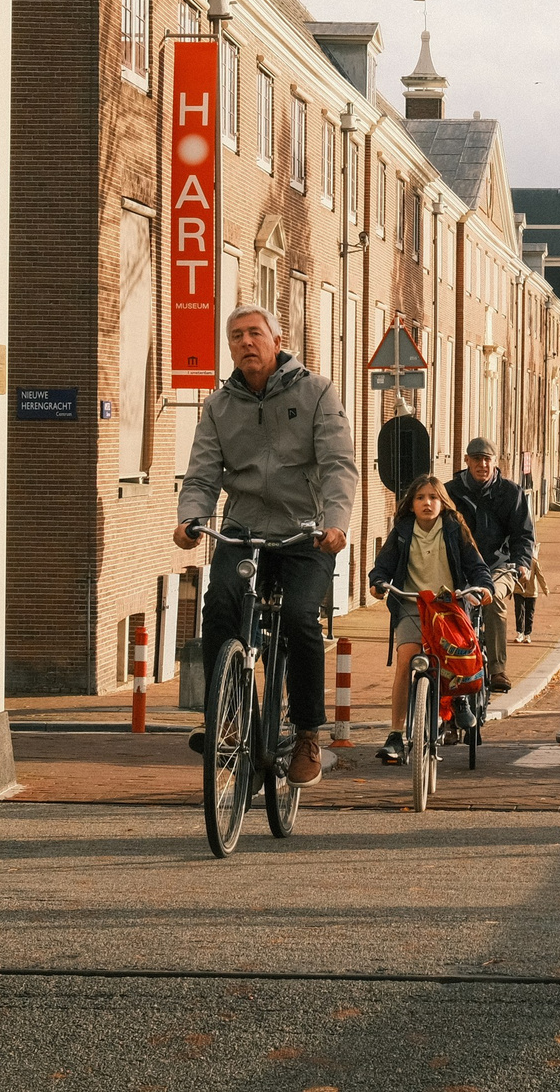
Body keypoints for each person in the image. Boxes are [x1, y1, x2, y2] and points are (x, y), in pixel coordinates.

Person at [173, 305, 356, 788]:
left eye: (256, 333)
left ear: (277, 340)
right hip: (243, 530)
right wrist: (190, 517)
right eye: (236, 337)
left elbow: (339, 464)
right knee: (218, 610)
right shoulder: (218, 406)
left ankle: (307, 735)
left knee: (299, 617)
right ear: (229, 348)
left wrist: (335, 523)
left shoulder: (317, 393)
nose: (246, 343)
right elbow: (202, 473)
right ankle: (231, 720)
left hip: (305, 532)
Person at [366, 472, 493, 765]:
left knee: (455, 659)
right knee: (406, 660)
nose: (427, 503)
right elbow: (382, 566)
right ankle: (397, 734)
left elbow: (477, 566)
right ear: (411, 505)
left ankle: (459, 698)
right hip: (412, 603)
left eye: (433, 498)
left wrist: (484, 586)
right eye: (420, 498)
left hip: (449, 606)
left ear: (442, 502)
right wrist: (378, 582)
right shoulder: (402, 530)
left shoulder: (455, 528)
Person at [445, 437, 534, 694]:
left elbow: (523, 535)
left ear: (495, 462)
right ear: (466, 461)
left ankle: (497, 669)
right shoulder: (451, 492)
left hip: (500, 565)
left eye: (487, 459)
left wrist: (522, 562)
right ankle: (446, 670)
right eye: (476, 459)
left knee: (491, 598)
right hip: (459, 567)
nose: (482, 464)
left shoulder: (510, 493)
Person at [511, 554, 547, 644]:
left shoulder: (534, 562)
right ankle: (520, 633)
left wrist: (545, 588)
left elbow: (540, 576)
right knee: (519, 611)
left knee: (529, 613)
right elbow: (512, 577)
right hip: (518, 590)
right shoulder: (516, 562)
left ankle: (527, 634)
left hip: (531, 592)